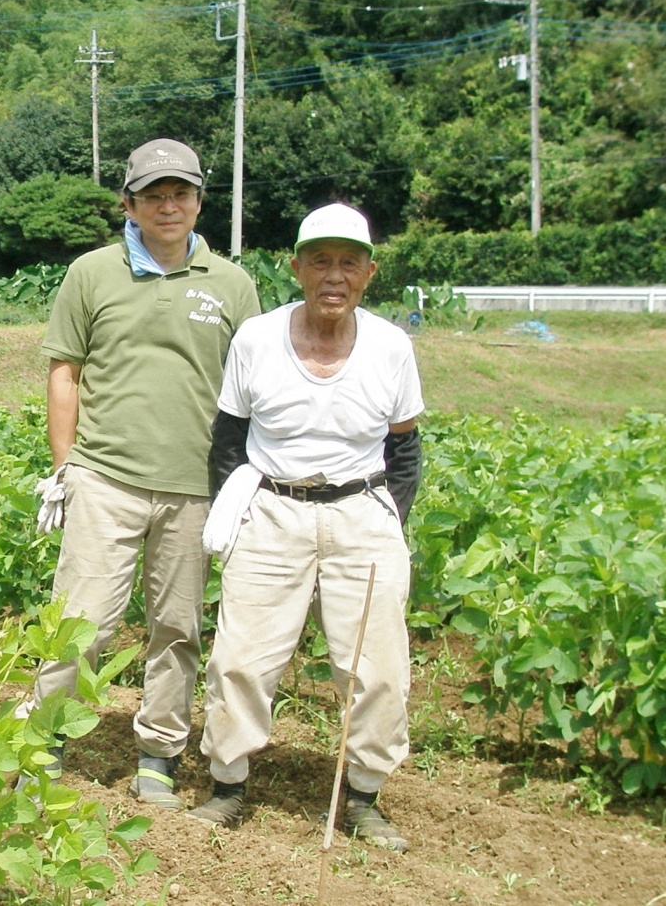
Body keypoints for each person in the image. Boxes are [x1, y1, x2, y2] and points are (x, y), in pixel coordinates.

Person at [17, 138, 260, 809]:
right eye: (154, 194)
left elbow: (253, 386)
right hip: (105, 477)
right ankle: (43, 742)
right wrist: (64, 469)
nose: (169, 205)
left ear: (200, 200)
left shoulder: (233, 284)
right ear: (129, 203)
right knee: (79, 622)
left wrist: (244, 480)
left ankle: (159, 752)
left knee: (176, 627)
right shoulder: (91, 274)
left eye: (181, 192)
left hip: (195, 487)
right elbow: (65, 371)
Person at [189, 202, 423, 852]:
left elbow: (405, 449)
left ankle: (365, 798)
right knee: (241, 657)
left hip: (363, 510)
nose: (334, 275)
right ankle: (228, 785)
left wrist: (383, 521)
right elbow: (227, 442)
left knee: (378, 669)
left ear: (369, 272)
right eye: (319, 260)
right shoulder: (257, 340)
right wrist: (237, 512)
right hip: (272, 508)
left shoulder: (391, 347)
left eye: (349, 262)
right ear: (295, 267)